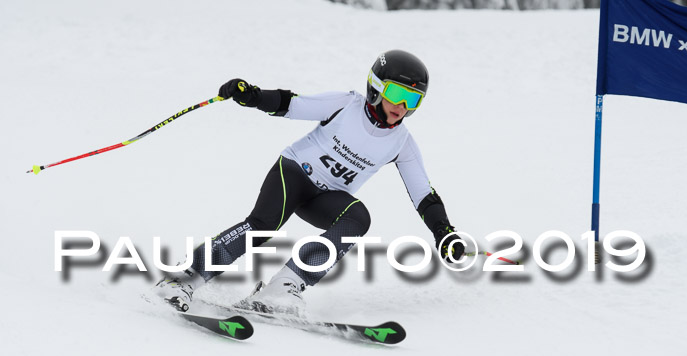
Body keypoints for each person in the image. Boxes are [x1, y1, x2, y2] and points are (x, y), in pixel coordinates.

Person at [153, 49, 465, 316]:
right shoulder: (346, 105)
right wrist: (251, 96)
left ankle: (282, 287)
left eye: (413, 99)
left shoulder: (401, 143)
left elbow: (424, 194)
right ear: (375, 87)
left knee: (358, 218)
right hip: (293, 174)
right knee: (262, 226)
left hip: (326, 197)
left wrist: (444, 231)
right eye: (397, 94)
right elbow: (291, 104)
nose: (402, 106)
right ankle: (184, 279)